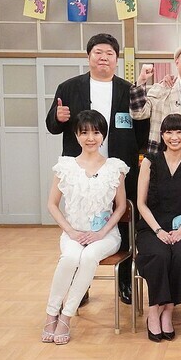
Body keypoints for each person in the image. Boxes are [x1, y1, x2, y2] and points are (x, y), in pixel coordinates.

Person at [46, 33, 148, 305]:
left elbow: (141, 129)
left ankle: (124, 282)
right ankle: (81, 287)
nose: (104, 58)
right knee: (80, 224)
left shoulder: (128, 89)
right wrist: (57, 117)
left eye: (109, 54)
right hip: (81, 170)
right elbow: (52, 126)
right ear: (89, 56)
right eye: (98, 52)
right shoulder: (69, 87)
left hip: (118, 169)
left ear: (117, 59)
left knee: (124, 226)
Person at [41, 110, 129, 345]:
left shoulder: (115, 167)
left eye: (96, 132)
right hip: (73, 233)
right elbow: (52, 204)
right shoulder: (66, 166)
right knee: (70, 258)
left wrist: (101, 233)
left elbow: (121, 206)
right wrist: (70, 231)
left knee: (89, 256)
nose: (91, 138)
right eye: (84, 133)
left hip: (106, 235)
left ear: (103, 136)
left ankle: (66, 316)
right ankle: (51, 313)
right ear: (76, 135)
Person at [135, 114, 181, 342]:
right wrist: (158, 231)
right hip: (152, 227)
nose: (174, 137)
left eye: (179, 131)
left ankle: (168, 310)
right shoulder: (149, 161)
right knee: (159, 255)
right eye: (169, 132)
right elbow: (141, 204)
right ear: (162, 135)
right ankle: (154, 310)